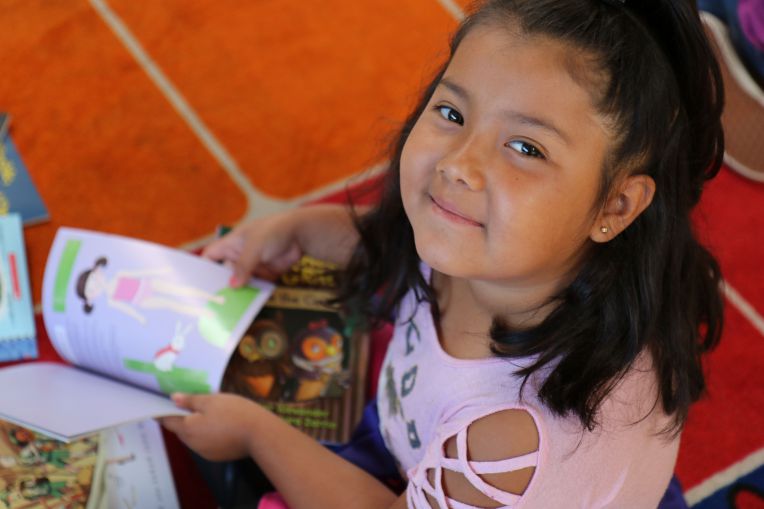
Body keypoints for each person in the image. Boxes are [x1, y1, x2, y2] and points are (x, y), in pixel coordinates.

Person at [160, 0, 725, 507]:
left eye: (525, 148)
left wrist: (259, 435)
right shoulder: (497, 248)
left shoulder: (514, 437)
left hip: (473, 482)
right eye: (452, 114)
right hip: (421, 442)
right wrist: (300, 231)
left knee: (225, 443)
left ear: (617, 205)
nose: (459, 163)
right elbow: (390, 244)